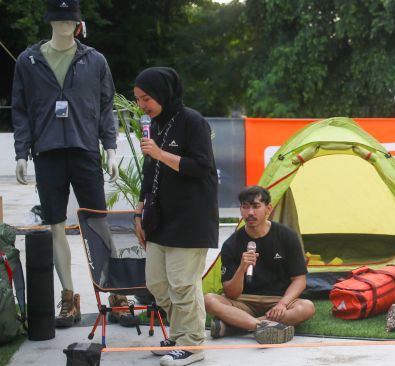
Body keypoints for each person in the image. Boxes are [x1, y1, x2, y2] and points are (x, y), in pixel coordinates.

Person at [10, 0, 138, 328]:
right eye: (60, 19)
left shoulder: (94, 60)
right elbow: (21, 109)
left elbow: (106, 105)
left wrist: (110, 148)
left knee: (98, 221)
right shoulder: (29, 60)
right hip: (47, 152)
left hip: (85, 151)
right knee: (54, 225)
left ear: (78, 23)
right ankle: (69, 295)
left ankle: (115, 290)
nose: (66, 25)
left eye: (71, 20)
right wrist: (21, 152)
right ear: (51, 22)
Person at [133, 66, 219, 366]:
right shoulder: (156, 124)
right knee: (157, 283)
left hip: (191, 218)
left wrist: (159, 154)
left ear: (163, 94)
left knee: (183, 284)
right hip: (160, 218)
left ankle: (192, 345)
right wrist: (138, 210)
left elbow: (202, 167)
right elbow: (149, 170)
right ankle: (180, 333)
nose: (142, 106)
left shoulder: (192, 121)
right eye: (138, 100)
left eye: (146, 99)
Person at [204, 186, 315, 344]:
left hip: (278, 300)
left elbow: (299, 279)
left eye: (256, 206)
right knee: (209, 300)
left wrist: (283, 304)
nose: (250, 213)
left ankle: (237, 325)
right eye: (245, 207)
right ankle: (260, 325)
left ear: (268, 208)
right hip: (244, 301)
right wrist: (242, 268)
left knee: (307, 307)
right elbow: (231, 294)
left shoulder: (286, 236)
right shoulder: (232, 244)